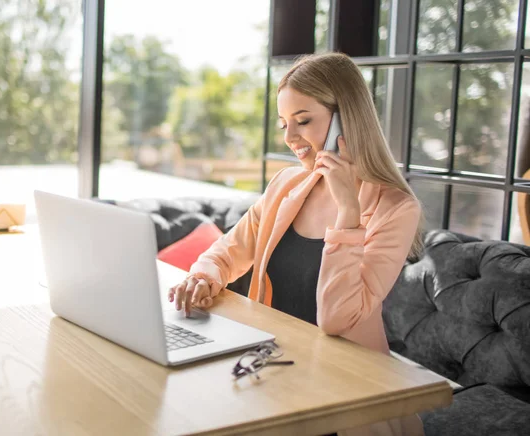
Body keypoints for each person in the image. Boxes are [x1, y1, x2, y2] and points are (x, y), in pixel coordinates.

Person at [169, 52, 425, 436]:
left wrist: (347, 214)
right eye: (285, 124)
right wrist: (203, 275)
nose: (290, 138)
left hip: (342, 396)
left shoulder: (396, 208)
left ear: (345, 119)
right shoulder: (286, 186)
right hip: (271, 371)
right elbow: (229, 249)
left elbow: (339, 319)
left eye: (303, 122)